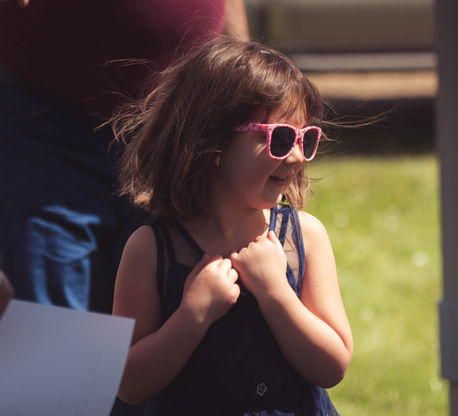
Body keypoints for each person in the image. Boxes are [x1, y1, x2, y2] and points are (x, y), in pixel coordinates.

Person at [111, 36, 353, 415]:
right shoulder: (150, 249)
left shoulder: (304, 237)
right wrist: (193, 316)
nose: (295, 156)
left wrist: (276, 293)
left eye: (306, 139)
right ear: (213, 142)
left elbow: (333, 365)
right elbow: (127, 383)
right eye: (281, 138)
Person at [0, 0, 248, 314]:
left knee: (165, 319)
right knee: (51, 331)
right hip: (48, 125)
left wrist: (243, 84)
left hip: (176, 133)